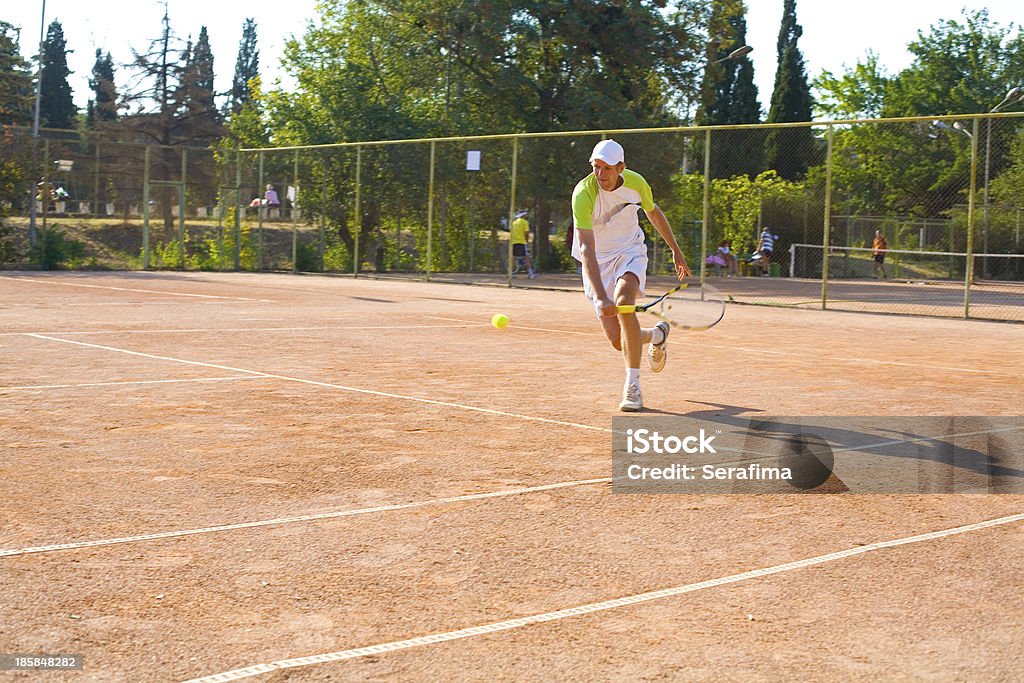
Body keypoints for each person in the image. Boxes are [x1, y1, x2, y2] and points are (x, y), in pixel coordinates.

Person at [570, 139, 690, 412]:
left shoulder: (636, 183)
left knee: (624, 302)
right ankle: (656, 335)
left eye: (607, 169)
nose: (600, 174)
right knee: (616, 340)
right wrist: (600, 296)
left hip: (629, 251)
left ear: (621, 167)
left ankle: (632, 387)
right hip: (596, 261)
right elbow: (587, 248)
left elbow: (653, 211)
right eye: (596, 167)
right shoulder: (583, 194)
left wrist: (675, 250)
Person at [511, 210, 537, 279]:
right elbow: (526, 233)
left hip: (514, 242)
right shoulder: (525, 222)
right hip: (522, 242)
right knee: (527, 258)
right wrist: (527, 241)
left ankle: (510, 273)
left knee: (513, 258)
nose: (527, 216)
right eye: (526, 215)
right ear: (523, 215)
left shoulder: (514, 223)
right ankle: (530, 274)